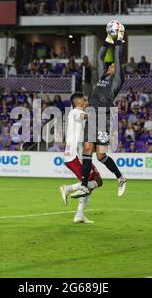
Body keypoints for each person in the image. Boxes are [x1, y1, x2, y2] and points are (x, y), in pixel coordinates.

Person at [74, 25, 127, 198]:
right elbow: (99, 56)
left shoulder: (117, 79)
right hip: (92, 116)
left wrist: (118, 39)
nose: (110, 66)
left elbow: (117, 58)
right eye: (110, 65)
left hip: (103, 117)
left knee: (101, 155)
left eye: (112, 66)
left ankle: (120, 177)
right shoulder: (102, 78)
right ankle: (83, 185)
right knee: (87, 148)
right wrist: (108, 38)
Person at [59, 92, 103, 224]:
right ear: (77, 101)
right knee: (89, 183)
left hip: (79, 154)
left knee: (97, 181)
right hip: (75, 155)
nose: (86, 102)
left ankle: (79, 215)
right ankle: (68, 189)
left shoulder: (75, 114)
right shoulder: (75, 112)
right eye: (84, 100)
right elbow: (85, 116)